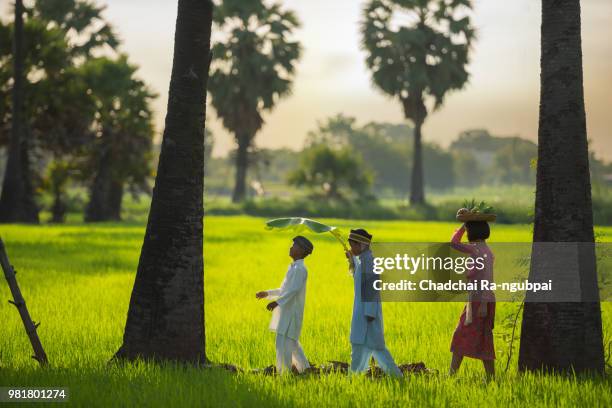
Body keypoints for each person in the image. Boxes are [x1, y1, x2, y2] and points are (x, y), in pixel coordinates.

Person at [346, 228, 402, 377]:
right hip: (364, 313)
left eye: (353, 245)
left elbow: (371, 288)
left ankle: (354, 378)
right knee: (374, 349)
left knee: (366, 348)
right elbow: (360, 279)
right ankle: (396, 377)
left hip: (367, 315)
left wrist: (369, 313)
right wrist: (352, 260)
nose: (352, 248)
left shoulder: (369, 262)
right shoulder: (364, 261)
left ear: (362, 245)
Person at [256, 236, 313, 374]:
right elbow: (284, 289)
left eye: (294, 246)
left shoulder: (300, 269)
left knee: (285, 344)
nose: (290, 247)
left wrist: (277, 302)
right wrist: (267, 293)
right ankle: (305, 369)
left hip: (292, 313)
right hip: (286, 312)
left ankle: (284, 373)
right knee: (290, 343)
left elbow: (293, 291)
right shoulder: (293, 267)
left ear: (300, 251)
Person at [449, 221, 496, 379]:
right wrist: (464, 223)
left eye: (468, 230)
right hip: (474, 301)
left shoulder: (483, 253)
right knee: (477, 336)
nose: (466, 233)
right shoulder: (476, 249)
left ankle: (452, 375)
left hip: (481, 301)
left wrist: (483, 304)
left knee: (467, 335)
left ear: (473, 233)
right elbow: (454, 243)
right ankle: (489, 377)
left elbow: (488, 280)